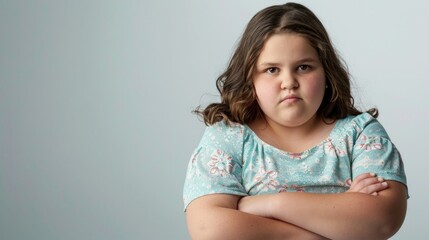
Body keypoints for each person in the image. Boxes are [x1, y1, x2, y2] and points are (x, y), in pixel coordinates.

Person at [183, 2, 408, 239]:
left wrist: (270, 205)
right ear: (250, 78)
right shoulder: (228, 138)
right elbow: (208, 229)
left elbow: (382, 219)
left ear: (326, 72)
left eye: (303, 67)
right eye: (272, 70)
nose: (289, 82)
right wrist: (330, 221)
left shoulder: (360, 134)